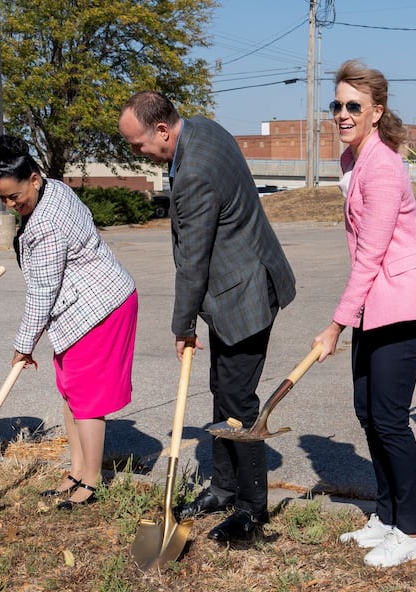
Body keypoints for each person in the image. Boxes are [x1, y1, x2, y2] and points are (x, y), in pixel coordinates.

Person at [118, 91, 296, 543]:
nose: (136, 154)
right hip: (239, 282)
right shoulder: (201, 128)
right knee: (222, 390)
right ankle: (223, 487)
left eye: (138, 144)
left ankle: (253, 509)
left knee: (237, 402)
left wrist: (183, 327)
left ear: (162, 130)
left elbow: (192, 262)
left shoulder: (193, 173)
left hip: (245, 293)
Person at [312, 60, 416, 568]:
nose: (343, 114)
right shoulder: (353, 161)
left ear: (376, 112)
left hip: (404, 298)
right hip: (377, 300)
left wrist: (335, 326)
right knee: (369, 412)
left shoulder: (384, 166)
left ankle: (412, 529)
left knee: (389, 419)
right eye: (338, 106)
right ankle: (388, 516)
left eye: (353, 106)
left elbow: (371, 252)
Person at [0, 135, 139, 511]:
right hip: (86, 303)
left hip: (99, 307)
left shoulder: (45, 226)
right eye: (4, 199)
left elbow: (43, 292)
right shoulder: (53, 188)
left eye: (15, 197)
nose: (11, 206)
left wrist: (23, 346)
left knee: (88, 399)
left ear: (34, 179)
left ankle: (90, 482)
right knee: (72, 391)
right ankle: (76, 471)